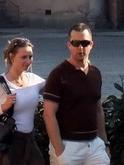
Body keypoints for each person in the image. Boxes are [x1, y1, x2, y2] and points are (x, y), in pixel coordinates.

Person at [43, 23, 110, 165]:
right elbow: (49, 114)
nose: (80, 48)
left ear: (91, 44)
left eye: (85, 43)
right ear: (69, 45)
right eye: (76, 43)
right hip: (68, 146)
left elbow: (98, 110)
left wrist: (105, 143)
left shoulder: (95, 73)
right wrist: (59, 150)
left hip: (94, 146)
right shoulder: (58, 74)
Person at [0, 37, 46, 165]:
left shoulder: (35, 80)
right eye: (23, 57)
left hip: (29, 141)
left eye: (30, 57)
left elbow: (56, 91)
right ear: (12, 57)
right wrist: (2, 108)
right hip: (7, 144)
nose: (28, 61)